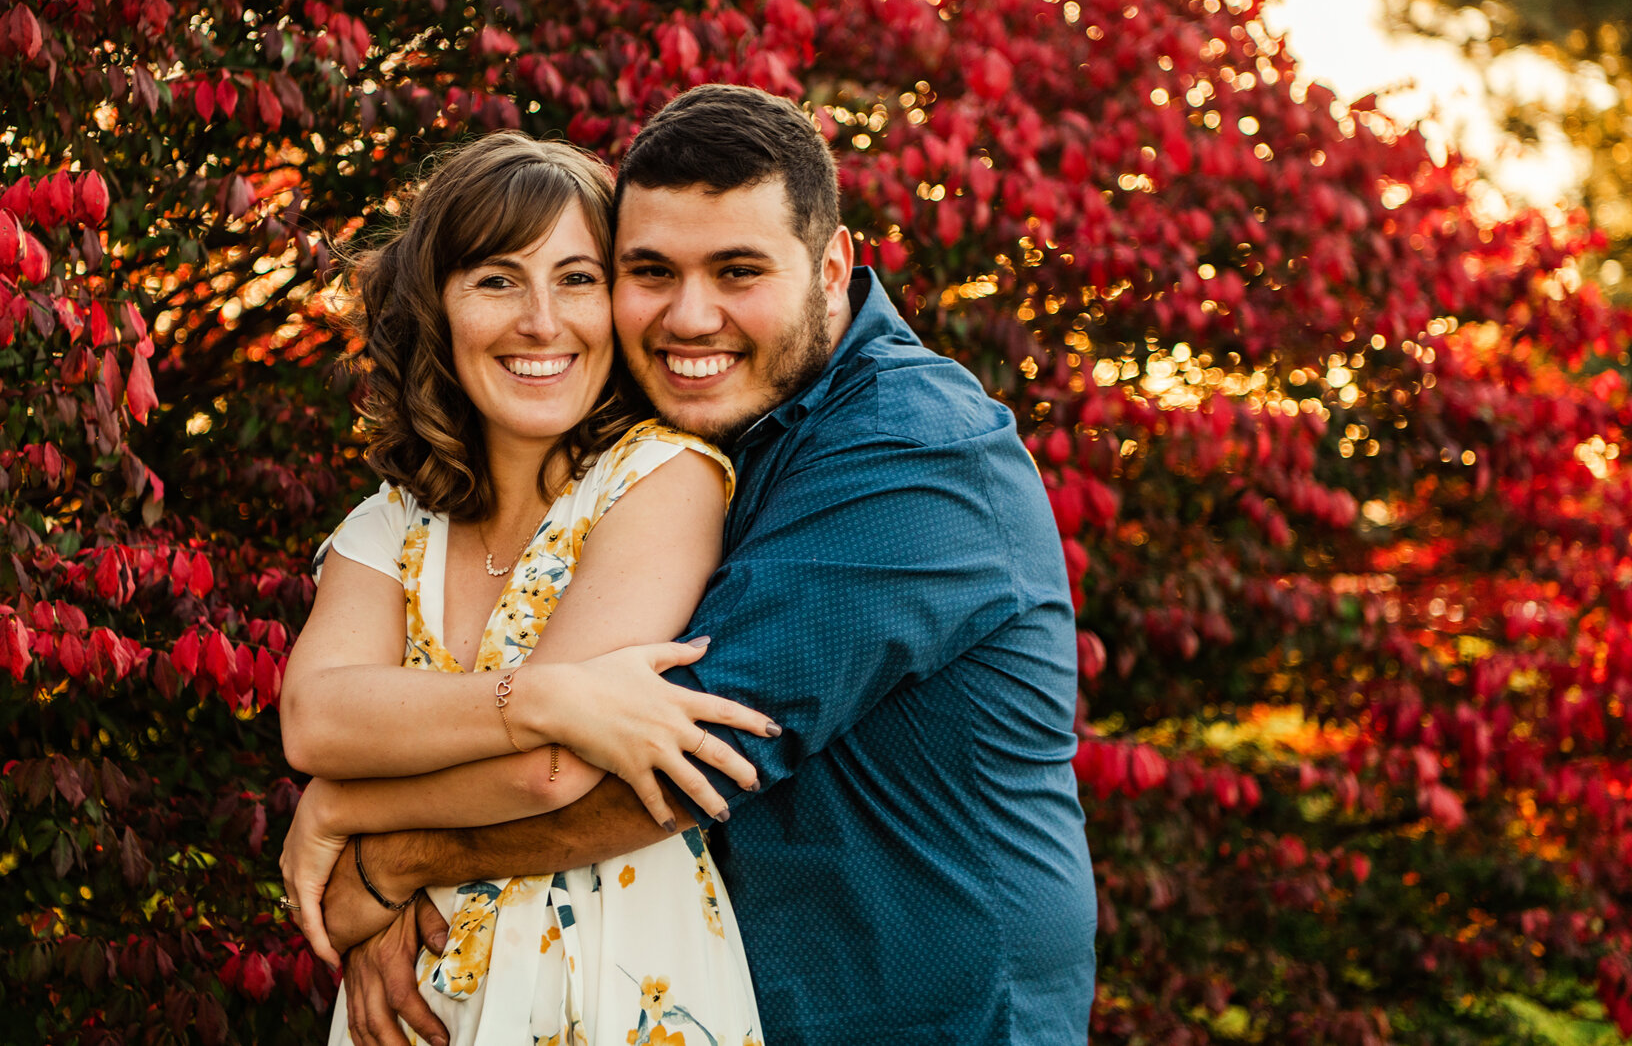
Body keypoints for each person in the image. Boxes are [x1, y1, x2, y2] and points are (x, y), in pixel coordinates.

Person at [320, 85, 1098, 1046]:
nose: (691, 317)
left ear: (831, 268)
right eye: (651, 270)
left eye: (737, 270)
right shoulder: (711, 444)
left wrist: (382, 862)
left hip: (931, 1018)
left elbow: (664, 761)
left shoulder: (908, 450)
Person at [277, 133, 778, 1046]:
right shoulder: (390, 522)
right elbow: (315, 718)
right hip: (417, 1004)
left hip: (616, 985)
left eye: (579, 279)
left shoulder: (664, 478)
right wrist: (545, 694)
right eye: (498, 279)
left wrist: (342, 807)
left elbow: (554, 772)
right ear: (438, 307)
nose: (542, 321)